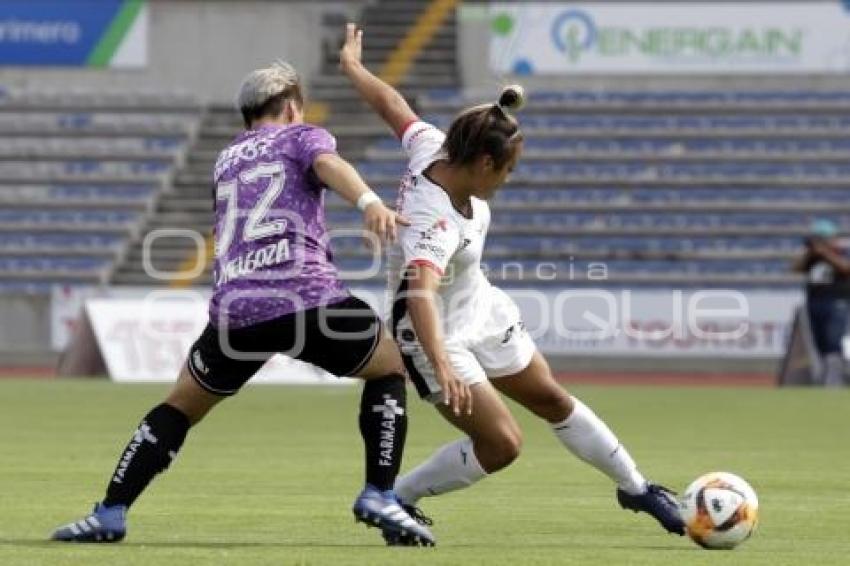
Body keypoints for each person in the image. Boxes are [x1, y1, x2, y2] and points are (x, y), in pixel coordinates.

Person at [51, 61, 435, 546]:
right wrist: (369, 202)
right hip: (303, 297)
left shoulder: (226, 157)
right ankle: (379, 493)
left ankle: (110, 511)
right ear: (293, 106)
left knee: (177, 408)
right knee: (388, 368)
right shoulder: (301, 136)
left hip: (236, 310)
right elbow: (327, 165)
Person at [339, 23, 685, 543]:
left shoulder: (435, 146)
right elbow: (418, 295)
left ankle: (635, 487)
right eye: (506, 170)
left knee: (549, 396)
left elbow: (392, 105)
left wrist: (353, 68)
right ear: (483, 163)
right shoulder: (436, 223)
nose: (507, 179)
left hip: (479, 304)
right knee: (502, 444)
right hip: (433, 331)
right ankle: (398, 497)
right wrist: (437, 361)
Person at [792, 218, 850, 385]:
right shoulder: (811, 256)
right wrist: (811, 253)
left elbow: (846, 269)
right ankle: (824, 377)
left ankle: (835, 379)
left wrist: (826, 254)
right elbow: (795, 268)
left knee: (833, 340)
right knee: (819, 341)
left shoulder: (842, 251)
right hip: (814, 302)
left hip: (837, 301)